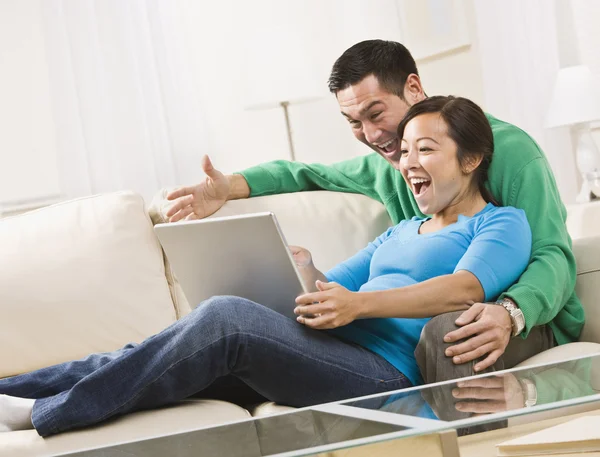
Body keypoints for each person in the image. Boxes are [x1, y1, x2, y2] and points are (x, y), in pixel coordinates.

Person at [0, 96, 531, 436]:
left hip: (388, 376)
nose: (409, 162)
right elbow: (332, 289)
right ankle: (14, 392)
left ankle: (52, 412)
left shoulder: (499, 224)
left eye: (427, 150)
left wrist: (358, 304)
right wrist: (300, 269)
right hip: (332, 354)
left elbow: (462, 290)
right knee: (165, 344)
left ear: (470, 159)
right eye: (406, 151)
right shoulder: (399, 230)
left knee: (225, 319)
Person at [166, 40, 583, 383]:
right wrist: (232, 188)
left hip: (523, 319)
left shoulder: (510, 155)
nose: (370, 135)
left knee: (451, 331)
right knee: (224, 320)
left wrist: (510, 313)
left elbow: (551, 256)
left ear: (414, 89)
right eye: (352, 122)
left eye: (375, 114)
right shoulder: (391, 169)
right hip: (395, 339)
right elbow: (307, 174)